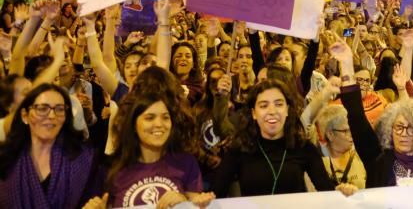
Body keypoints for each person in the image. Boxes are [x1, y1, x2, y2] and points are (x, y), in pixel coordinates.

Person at [331, 40, 413, 189]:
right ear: (390, 130)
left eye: (411, 128)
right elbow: (356, 113)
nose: (403, 133)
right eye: (399, 127)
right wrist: (347, 64)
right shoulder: (377, 159)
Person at [96, 67, 214, 208]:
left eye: (165, 117)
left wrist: (184, 203)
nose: (159, 124)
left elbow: (197, 203)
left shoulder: (186, 163)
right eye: (149, 118)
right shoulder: (111, 168)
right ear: (133, 124)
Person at [212, 79, 351, 197]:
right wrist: (203, 199)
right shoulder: (238, 149)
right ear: (254, 113)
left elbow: (327, 192)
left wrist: (340, 193)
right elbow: (216, 195)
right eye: (264, 105)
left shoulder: (304, 148)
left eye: (279, 104)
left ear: (287, 110)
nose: (272, 111)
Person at [0, 83, 100, 209]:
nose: (52, 116)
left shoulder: (83, 159)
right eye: (42, 109)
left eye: (59, 109)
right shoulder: (6, 160)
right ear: (25, 116)